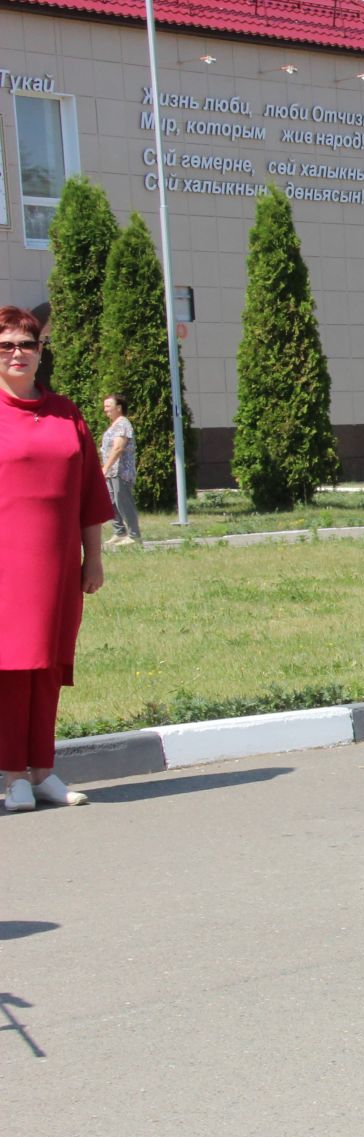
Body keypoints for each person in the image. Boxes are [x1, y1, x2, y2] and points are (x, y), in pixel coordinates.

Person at [0, 305, 114, 814]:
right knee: (8, 667)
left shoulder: (67, 412)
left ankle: (42, 771)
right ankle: (10, 776)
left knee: (48, 665)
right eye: (6, 345)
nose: (17, 353)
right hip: (5, 563)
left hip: (57, 563)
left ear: (42, 351)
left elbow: (90, 490)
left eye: (27, 343)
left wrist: (93, 559)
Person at [99, 394, 141, 546]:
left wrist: (106, 467)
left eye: (108, 406)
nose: (105, 409)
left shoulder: (123, 424)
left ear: (119, 408)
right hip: (111, 472)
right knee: (110, 502)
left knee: (123, 502)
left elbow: (118, 448)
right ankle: (119, 532)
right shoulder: (114, 424)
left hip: (120, 471)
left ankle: (134, 535)